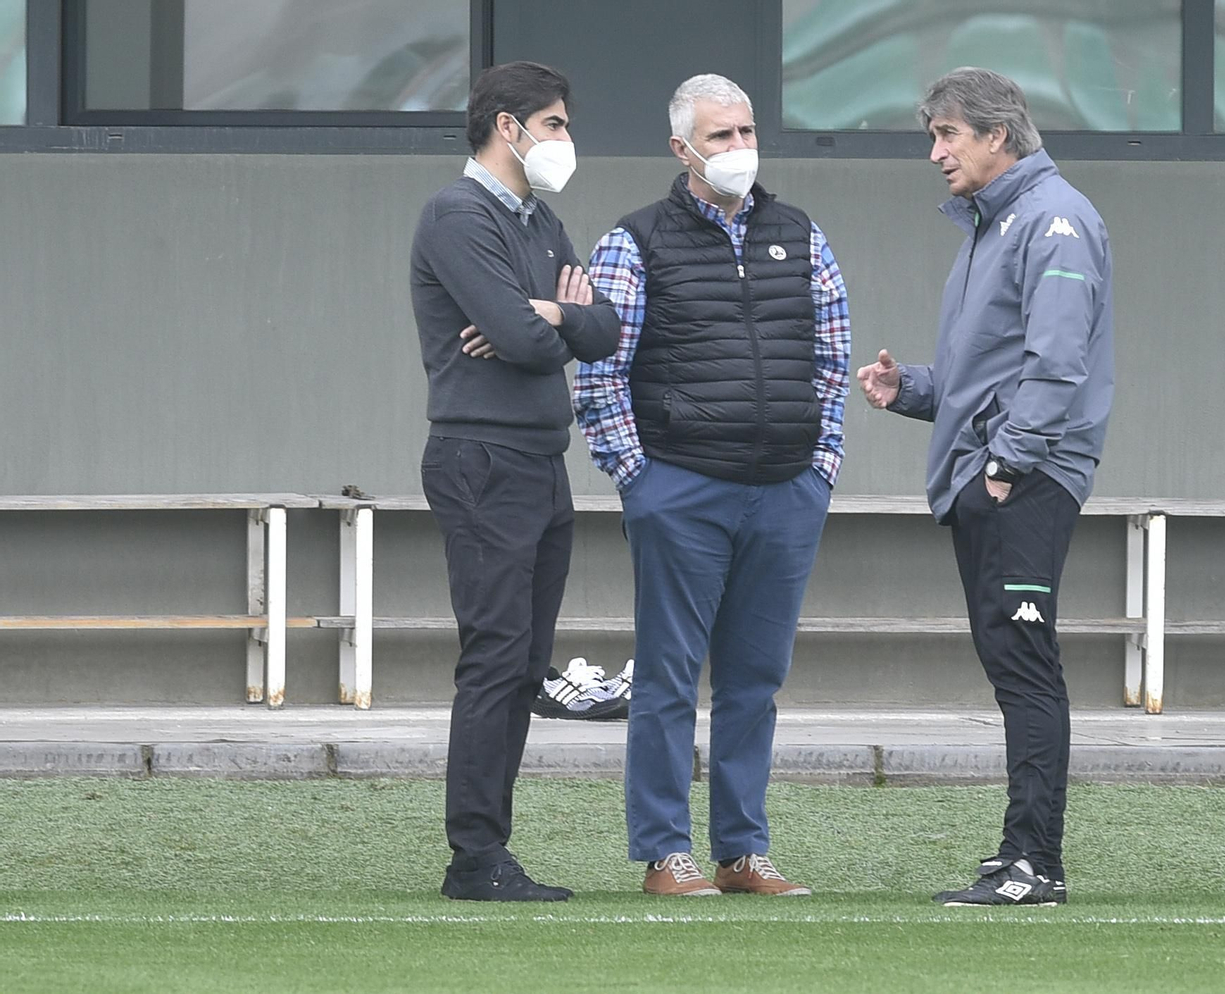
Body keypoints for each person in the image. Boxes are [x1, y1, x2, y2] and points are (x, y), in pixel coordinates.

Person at [574, 73, 851, 897]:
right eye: (721, 136)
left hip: (786, 490)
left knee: (755, 679)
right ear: (682, 148)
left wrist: (821, 467)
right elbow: (600, 370)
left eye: (745, 132)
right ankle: (665, 853)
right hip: (681, 489)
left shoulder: (801, 235)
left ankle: (741, 852)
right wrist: (639, 479)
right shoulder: (634, 240)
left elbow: (832, 359)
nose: (738, 149)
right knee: (666, 676)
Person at [857, 67, 1113, 907]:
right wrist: (918, 391)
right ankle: (1020, 856)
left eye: (947, 135)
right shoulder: (995, 225)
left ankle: (1035, 864)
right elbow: (993, 370)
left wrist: (1007, 464)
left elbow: (1058, 362)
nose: (935, 153)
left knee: (1026, 667)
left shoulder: (1054, 220)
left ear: (998, 135)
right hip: (995, 474)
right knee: (1013, 666)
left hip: (1022, 481)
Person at [409, 61, 621, 902]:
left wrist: (554, 315)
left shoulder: (539, 219)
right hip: (482, 460)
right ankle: (476, 857)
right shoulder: (458, 214)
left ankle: (490, 850)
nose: (566, 140)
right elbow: (519, 337)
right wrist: (543, 319)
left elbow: (602, 329)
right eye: (558, 124)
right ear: (510, 126)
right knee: (496, 657)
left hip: (539, 461)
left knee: (524, 663)